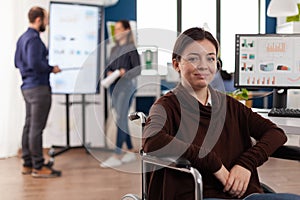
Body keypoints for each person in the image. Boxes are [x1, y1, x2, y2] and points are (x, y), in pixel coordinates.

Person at [142, 27, 300, 199]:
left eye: (210, 58)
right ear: (176, 64)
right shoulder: (167, 106)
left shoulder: (230, 105)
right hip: (198, 194)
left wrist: (246, 164)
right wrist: (211, 162)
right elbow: (152, 140)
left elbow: (276, 133)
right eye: (193, 58)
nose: (203, 66)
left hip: (245, 195)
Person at [14, 6, 62, 178]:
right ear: (38, 20)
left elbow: (17, 62)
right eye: (46, 19)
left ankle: (27, 164)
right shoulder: (34, 39)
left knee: (28, 126)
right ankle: (38, 166)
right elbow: (35, 64)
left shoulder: (22, 38)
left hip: (27, 87)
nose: (47, 23)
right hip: (39, 88)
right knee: (36, 129)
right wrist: (51, 69)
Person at [100, 20, 141, 168]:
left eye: (118, 29)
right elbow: (107, 67)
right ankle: (130, 149)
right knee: (121, 118)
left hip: (126, 87)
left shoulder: (131, 48)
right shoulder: (114, 49)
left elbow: (138, 69)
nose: (116, 32)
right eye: (115, 29)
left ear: (126, 30)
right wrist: (110, 72)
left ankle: (117, 154)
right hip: (114, 87)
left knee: (121, 119)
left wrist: (125, 72)